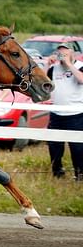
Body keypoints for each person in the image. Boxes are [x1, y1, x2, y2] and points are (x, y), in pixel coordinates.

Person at [46, 42, 83, 181]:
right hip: (56, 114)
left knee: (78, 148)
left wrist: (69, 65)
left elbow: (81, 80)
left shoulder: (79, 66)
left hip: (76, 115)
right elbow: (44, 85)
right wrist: (47, 65)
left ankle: (80, 175)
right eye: (60, 53)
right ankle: (57, 174)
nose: (62, 56)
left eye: (65, 53)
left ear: (72, 53)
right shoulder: (54, 69)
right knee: (54, 146)